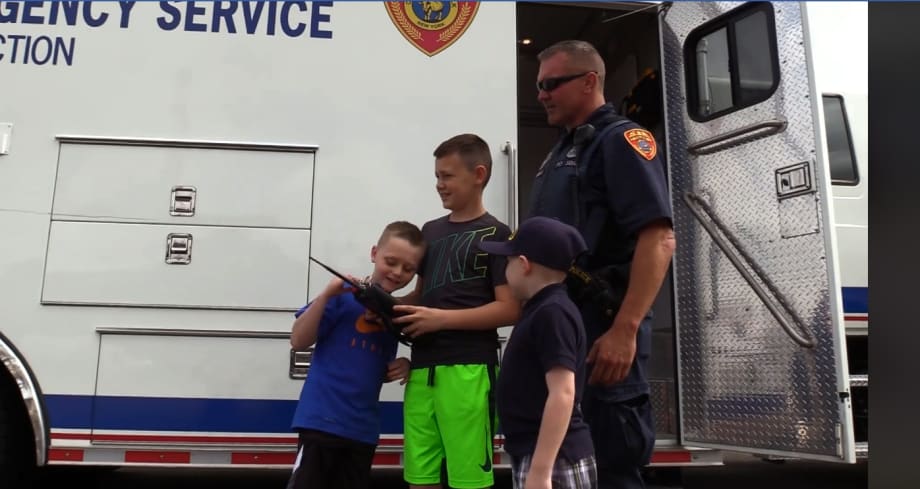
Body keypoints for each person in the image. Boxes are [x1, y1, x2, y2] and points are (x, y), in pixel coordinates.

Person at [526, 40, 676, 489]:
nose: (541, 95)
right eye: (538, 86)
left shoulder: (622, 141)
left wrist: (624, 330)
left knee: (612, 464)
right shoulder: (562, 151)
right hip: (566, 332)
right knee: (573, 465)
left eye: (551, 84)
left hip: (604, 332)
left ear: (589, 81)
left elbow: (659, 237)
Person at [393, 133, 521, 489]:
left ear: (478, 174)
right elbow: (419, 295)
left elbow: (510, 309)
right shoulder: (429, 231)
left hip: (470, 373)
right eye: (437, 176)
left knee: (468, 481)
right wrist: (378, 300)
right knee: (419, 478)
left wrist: (441, 319)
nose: (439, 185)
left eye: (447, 176)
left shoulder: (499, 234)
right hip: (421, 372)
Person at [286, 221, 426, 489]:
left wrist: (406, 365)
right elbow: (298, 340)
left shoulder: (395, 314)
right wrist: (327, 294)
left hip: (362, 432)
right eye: (391, 261)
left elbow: (374, 368)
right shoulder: (343, 296)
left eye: (409, 268)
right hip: (320, 424)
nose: (398, 273)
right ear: (374, 253)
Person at [478, 216, 597, 489]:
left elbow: (563, 393)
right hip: (539, 453)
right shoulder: (541, 309)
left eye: (507, 262)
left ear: (524, 265)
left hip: (554, 460)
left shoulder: (552, 313)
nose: (505, 270)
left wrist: (541, 472)